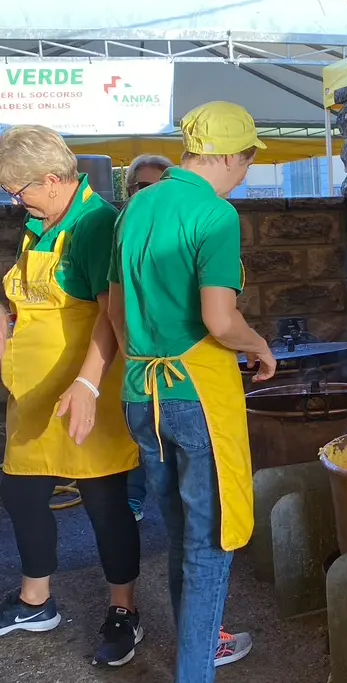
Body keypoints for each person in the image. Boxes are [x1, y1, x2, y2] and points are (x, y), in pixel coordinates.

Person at [107, 101, 276, 682]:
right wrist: (258, 346)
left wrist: (145, 355)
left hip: (140, 393)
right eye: (247, 160)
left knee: (179, 535)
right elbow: (220, 319)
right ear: (229, 154)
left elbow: (113, 309)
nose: (245, 172)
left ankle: (197, 652)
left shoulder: (135, 206)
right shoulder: (216, 215)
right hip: (197, 397)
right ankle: (196, 671)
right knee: (210, 545)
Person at [0, 125, 144, 667]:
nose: (17, 202)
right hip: (33, 392)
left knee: (106, 502)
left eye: (21, 190)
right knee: (21, 492)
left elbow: (111, 319)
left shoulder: (95, 225)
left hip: (88, 387)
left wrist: (85, 385)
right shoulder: (40, 223)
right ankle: (37, 600)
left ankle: (124, 610)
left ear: (55, 179)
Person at [122, 153, 174, 522]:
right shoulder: (122, 230)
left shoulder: (183, 230)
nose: (153, 192)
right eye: (144, 185)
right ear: (130, 191)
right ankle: (134, 498)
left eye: (161, 184)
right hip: (136, 363)